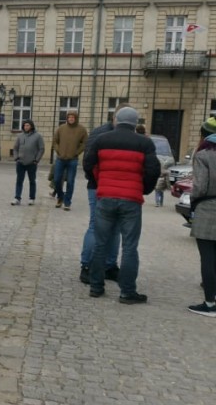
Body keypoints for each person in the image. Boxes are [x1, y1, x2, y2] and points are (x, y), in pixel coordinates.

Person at [83, 106, 160, 304]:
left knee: (101, 243)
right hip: (131, 199)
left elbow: (88, 164)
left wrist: (100, 181)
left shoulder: (102, 140)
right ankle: (127, 292)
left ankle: (96, 286)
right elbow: (153, 170)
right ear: (135, 123)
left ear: (116, 119)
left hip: (106, 196)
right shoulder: (145, 143)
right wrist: (143, 189)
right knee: (129, 247)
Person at [78, 105, 128, 285]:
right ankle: (87, 265)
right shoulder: (100, 133)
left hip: (117, 188)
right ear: (115, 117)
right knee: (96, 226)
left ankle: (109, 266)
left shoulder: (124, 135)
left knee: (115, 228)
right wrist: (100, 180)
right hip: (98, 187)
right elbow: (88, 163)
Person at [187, 117, 216, 317]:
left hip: (208, 208)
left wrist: (193, 200)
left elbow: (200, 186)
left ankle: (210, 303)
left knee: (207, 258)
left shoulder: (203, 155)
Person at [52, 110, 88, 211]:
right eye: (69, 117)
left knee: (70, 181)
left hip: (73, 160)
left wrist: (77, 152)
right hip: (60, 158)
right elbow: (55, 141)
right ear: (67, 118)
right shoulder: (61, 128)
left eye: (73, 117)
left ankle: (67, 202)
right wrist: (58, 150)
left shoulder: (81, 130)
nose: (71, 119)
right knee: (57, 180)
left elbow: (85, 143)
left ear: (76, 118)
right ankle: (60, 197)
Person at [11, 119, 44, 205]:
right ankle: (17, 198)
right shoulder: (20, 136)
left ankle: (31, 198)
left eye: (28, 125)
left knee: (32, 181)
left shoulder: (37, 136)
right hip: (20, 162)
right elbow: (15, 148)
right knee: (19, 181)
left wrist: (36, 160)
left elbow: (41, 149)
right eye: (25, 125)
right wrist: (16, 158)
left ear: (31, 126)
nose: (26, 127)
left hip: (32, 163)